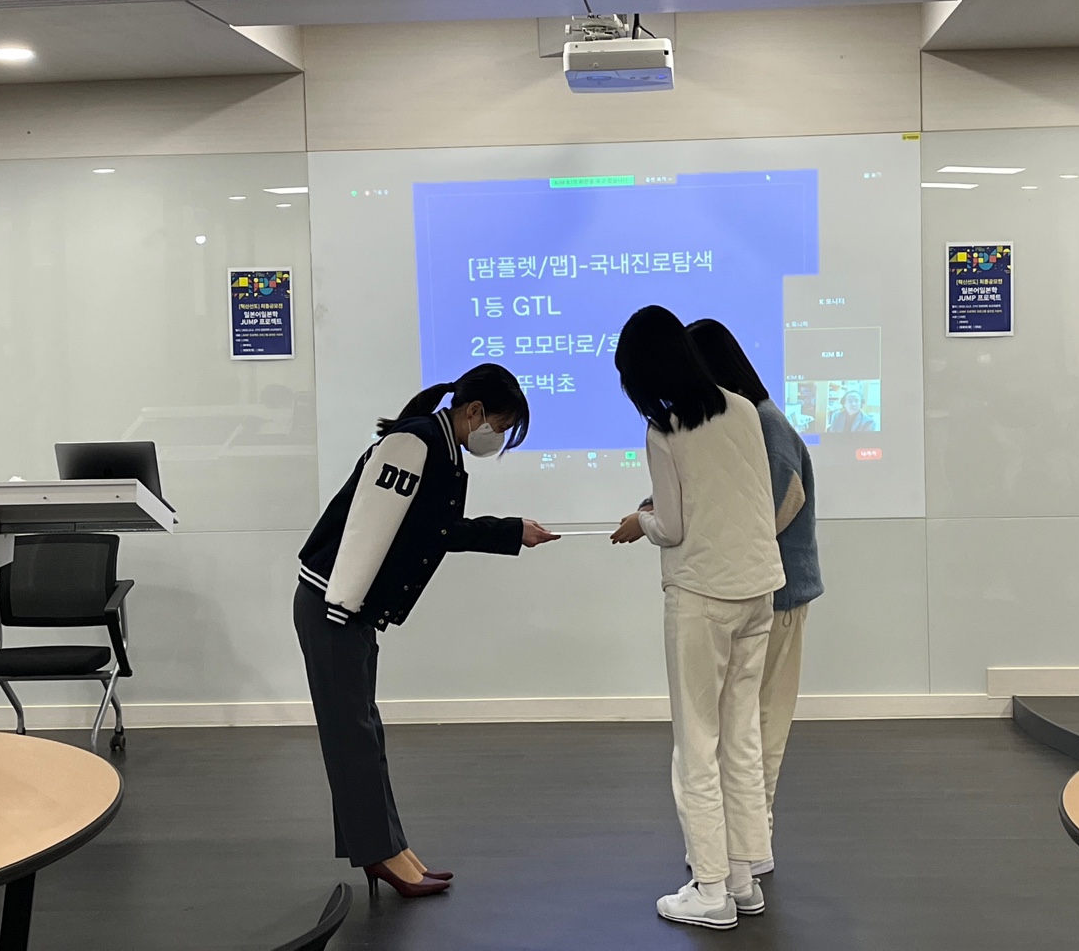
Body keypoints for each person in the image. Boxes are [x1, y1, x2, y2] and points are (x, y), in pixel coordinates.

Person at [293, 364, 559, 898]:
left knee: (362, 732)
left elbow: (431, 530)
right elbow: (369, 526)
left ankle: (389, 847)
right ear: (474, 411)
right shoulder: (414, 444)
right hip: (334, 604)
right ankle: (381, 854)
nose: (498, 437)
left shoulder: (437, 447)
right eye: (501, 425)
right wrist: (343, 607)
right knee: (352, 737)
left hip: (348, 607)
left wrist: (511, 532)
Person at [610, 306, 785, 931]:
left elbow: (674, 526)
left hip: (703, 597)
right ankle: (743, 876)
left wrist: (640, 522)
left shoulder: (665, 432)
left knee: (697, 746)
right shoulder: (741, 408)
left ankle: (710, 888)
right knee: (741, 737)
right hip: (758, 590)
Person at [686, 319, 824, 871]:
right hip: (757, 592)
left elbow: (780, 501)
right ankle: (742, 838)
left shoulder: (765, 423)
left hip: (778, 595)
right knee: (743, 720)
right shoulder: (744, 422)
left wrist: (732, 541)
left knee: (763, 720)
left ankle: (754, 838)